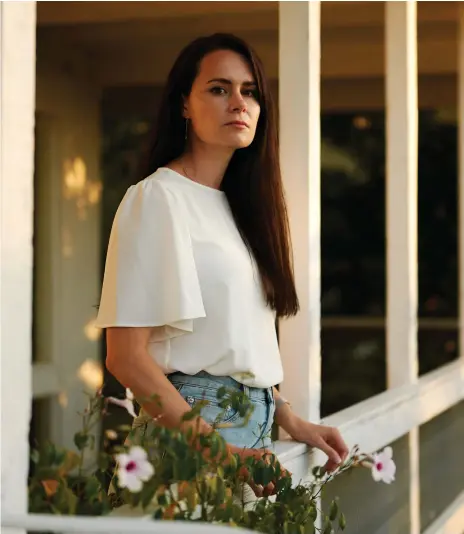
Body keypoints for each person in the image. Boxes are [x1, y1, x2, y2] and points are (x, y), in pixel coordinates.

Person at [95, 33, 348, 498]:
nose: (239, 102)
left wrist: (290, 419)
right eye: (219, 88)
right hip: (194, 434)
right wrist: (220, 454)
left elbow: (232, 345)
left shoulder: (245, 211)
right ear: (184, 105)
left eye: (250, 91)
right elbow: (126, 357)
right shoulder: (158, 199)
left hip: (254, 434)